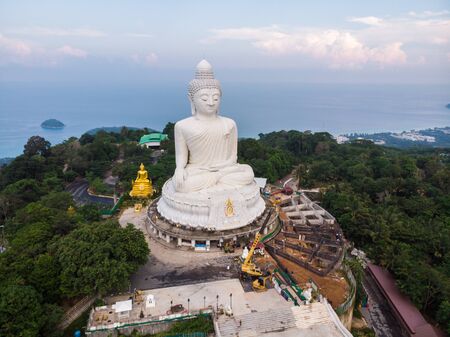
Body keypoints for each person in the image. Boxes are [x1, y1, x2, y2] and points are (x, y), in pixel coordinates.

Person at [172, 60, 254, 193]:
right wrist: (179, 169)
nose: (211, 103)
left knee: (248, 173)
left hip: (225, 169)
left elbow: (233, 157)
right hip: (198, 170)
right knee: (181, 184)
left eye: (216, 98)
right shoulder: (182, 126)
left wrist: (224, 167)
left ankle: (216, 178)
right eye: (204, 99)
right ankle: (217, 179)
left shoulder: (229, 123)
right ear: (191, 99)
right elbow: (181, 157)